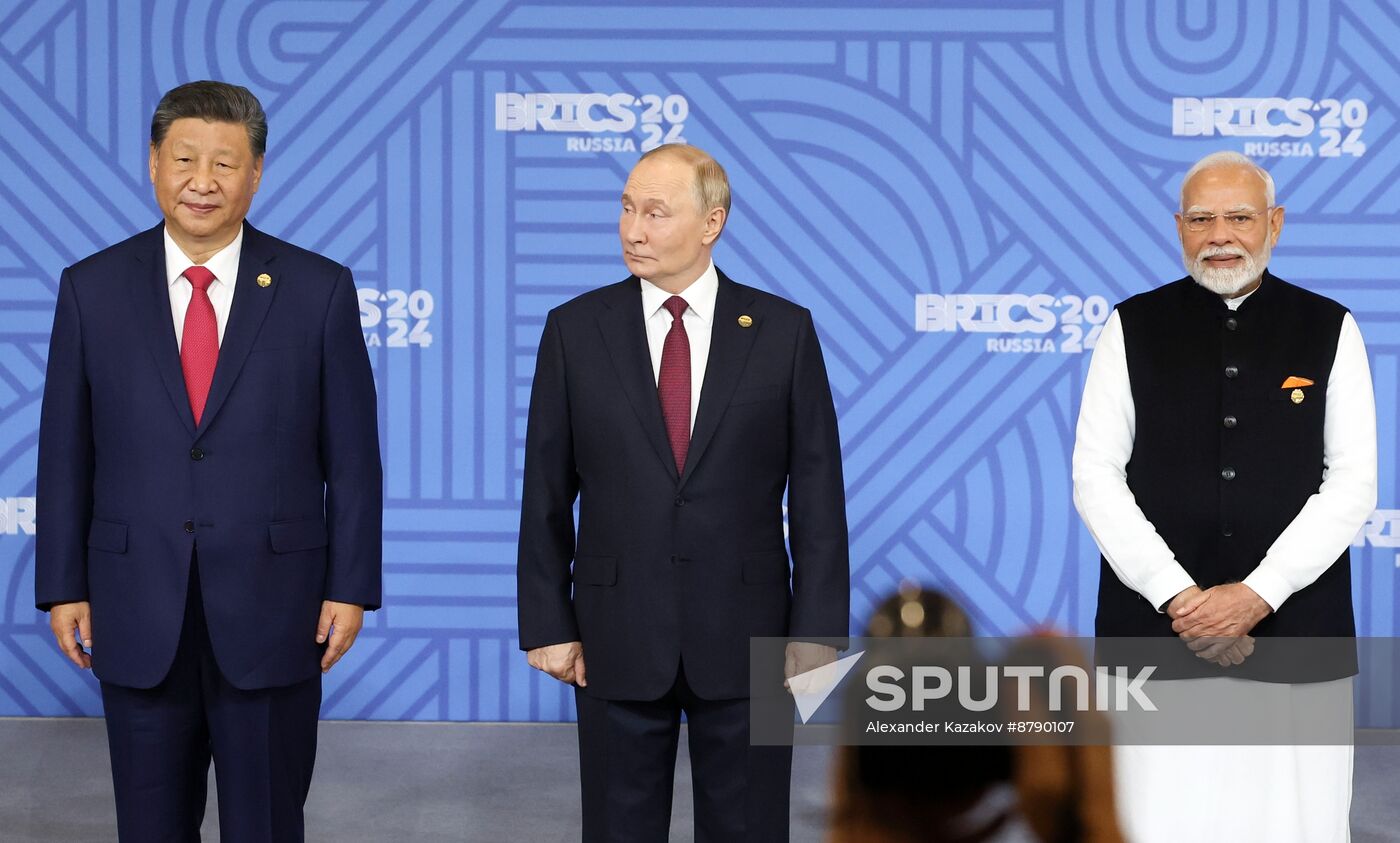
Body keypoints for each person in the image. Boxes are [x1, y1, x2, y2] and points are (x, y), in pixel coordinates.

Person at [35, 80, 382, 841]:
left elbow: (353, 458)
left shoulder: (317, 289)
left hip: (275, 606)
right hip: (135, 601)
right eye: (184, 158)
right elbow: (66, 451)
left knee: (265, 821)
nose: (203, 180)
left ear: (257, 173)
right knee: (151, 825)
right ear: (153, 164)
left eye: (225, 163)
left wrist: (351, 585)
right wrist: (62, 583)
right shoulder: (91, 289)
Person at [517, 143, 850, 841]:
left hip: (749, 636)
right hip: (614, 632)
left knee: (750, 826)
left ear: (712, 223)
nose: (633, 229)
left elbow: (818, 495)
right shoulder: (574, 331)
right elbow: (545, 492)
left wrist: (816, 634)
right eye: (627, 208)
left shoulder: (784, 332)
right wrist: (548, 621)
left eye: (656, 213)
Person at [1072, 150, 1376, 842]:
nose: (1220, 235)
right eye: (1202, 218)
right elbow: (1095, 475)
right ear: (1179, 227)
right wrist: (1181, 599)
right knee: (1150, 819)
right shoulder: (1129, 325)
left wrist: (1256, 594)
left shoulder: (1330, 328)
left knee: (1296, 821)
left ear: (1275, 223)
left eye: (1240, 216)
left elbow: (1352, 482)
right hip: (1154, 633)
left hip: (1297, 633)